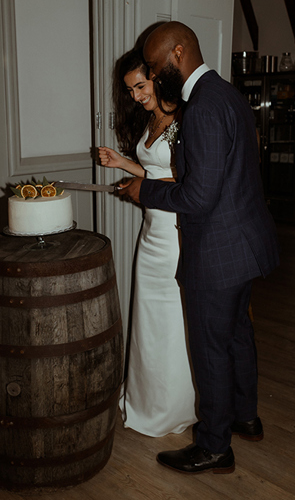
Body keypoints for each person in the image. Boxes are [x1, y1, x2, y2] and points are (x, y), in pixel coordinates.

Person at [117, 22, 280, 475]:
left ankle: (213, 446)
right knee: (238, 336)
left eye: (153, 65)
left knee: (211, 347)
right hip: (246, 243)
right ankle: (246, 417)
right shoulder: (228, 94)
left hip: (217, 250)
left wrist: (142, 191)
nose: (151, 73)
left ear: (178, 53)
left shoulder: (203, 106)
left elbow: (197, 197)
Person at [97, 49, 196, 438]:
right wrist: (123, 164)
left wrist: (146, 188)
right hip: (150, 235)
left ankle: (173, 406)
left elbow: (192, 185)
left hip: (176, 234)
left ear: (157, 77)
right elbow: (153, 170)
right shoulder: (153, 120)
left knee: (172, 324)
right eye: (130, 90)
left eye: (140, 86)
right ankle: (143, 399)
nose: (136, 96)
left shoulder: (184, 120)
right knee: (148, 322)